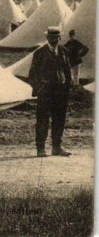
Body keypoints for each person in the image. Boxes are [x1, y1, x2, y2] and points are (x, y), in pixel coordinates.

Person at [29, 27, 73, 157]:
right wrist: (39, 89)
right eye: (51, 37)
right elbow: (32, 74)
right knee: (42, 120)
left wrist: (68, 87)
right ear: (47, 38)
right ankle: (40, 148)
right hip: (46, 92)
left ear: (60, 38)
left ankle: (56, 147)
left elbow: (68, 71)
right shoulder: (39, 53)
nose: (54, 40)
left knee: (59, 119)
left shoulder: (64, 51)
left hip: (61, 92)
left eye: (56, 37)